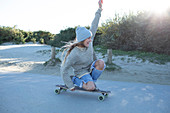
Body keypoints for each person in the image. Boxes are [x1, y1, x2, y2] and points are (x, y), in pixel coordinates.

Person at [61, 0, 105, 91]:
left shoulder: (89, 41)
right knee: (91, 87)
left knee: (101, 63)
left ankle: (90, 80)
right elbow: (64, 69)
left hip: (90, 68)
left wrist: (99, 9)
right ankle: (75, 80)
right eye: (88, 38)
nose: (90, 40)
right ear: (82, 40)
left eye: (90, 38)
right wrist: (70, 85)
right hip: (81, 72)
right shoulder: (74, 53)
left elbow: (94, 24)